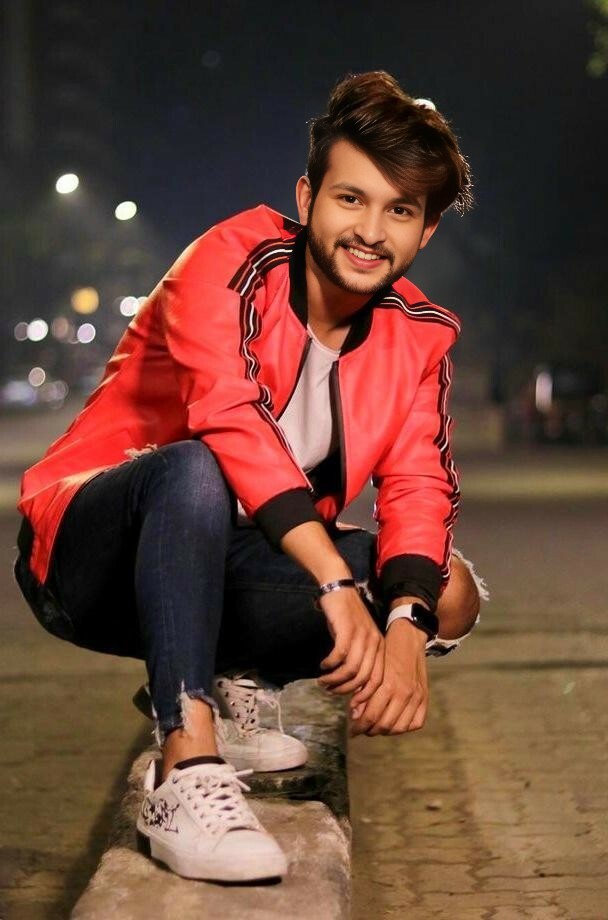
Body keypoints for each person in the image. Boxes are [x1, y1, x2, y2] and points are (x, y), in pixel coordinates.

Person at [14, 70, 487, 883]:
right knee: (197, 467)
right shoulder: (231, 259)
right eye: (351, 199)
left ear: (426, 232)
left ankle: (237, 675)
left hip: (225, 567)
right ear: (308, 197)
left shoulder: (418, 335)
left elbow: (419, 486)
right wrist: (334, 581)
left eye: (400, 211)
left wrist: (408, 628)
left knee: (451, 591)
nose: (370, 231)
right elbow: (227, 417)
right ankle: (185, 767)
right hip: (93, 553)